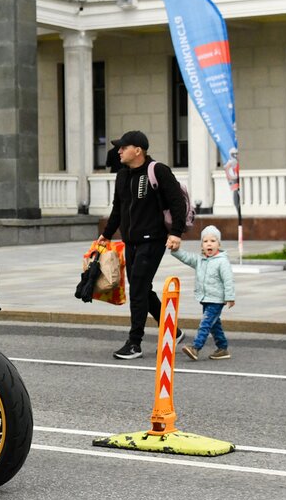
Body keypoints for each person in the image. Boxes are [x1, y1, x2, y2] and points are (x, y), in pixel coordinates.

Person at [98, 130, 187, 359]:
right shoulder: (122, 176)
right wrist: (106, 234)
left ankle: (134, 342)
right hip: (131, 241)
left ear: (137, 150)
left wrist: (176, 233)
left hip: (153, 240)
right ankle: (173, 331)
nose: (119, 151)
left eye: (123, 147)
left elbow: (177, 202)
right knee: (142, 289)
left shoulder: (158, 171)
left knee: (137, 288)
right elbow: (118, 209)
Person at [171, 225, 235, 360]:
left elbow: (228, 280)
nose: (209, 244)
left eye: (213, 241)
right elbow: (187, 257)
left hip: (217, 299)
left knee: (205, 324)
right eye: (205, 241)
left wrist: (230, 296)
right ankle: (222, 348)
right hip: (205, 298)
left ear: (219, 244)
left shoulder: (222, 261)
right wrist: (176, 250)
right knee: (214, 325)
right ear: (202, 245)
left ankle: (195, 348)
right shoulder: (200, 260)